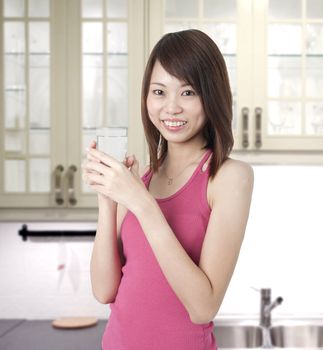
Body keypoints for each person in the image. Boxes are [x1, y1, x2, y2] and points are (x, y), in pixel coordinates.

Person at [82, 29, 254, 350]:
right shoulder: (143, 179)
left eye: (187, 93)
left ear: (211, 96)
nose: (171, 107)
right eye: (159, 92)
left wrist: (142, 204)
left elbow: (203, 308)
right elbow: (104, 290)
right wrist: (108, 201)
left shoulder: (229, 177)